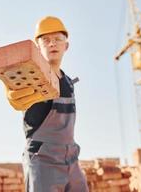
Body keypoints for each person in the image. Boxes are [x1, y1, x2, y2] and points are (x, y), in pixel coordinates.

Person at [5, 16, 89, 192]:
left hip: (71, 159)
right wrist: (11, 91)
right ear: (38, 47)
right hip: (42, 159)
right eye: (46, 40)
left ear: (66, 46)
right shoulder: (32, 78)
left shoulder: (68, 83)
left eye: (58, 39)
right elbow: (15, 84)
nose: (52, 44)